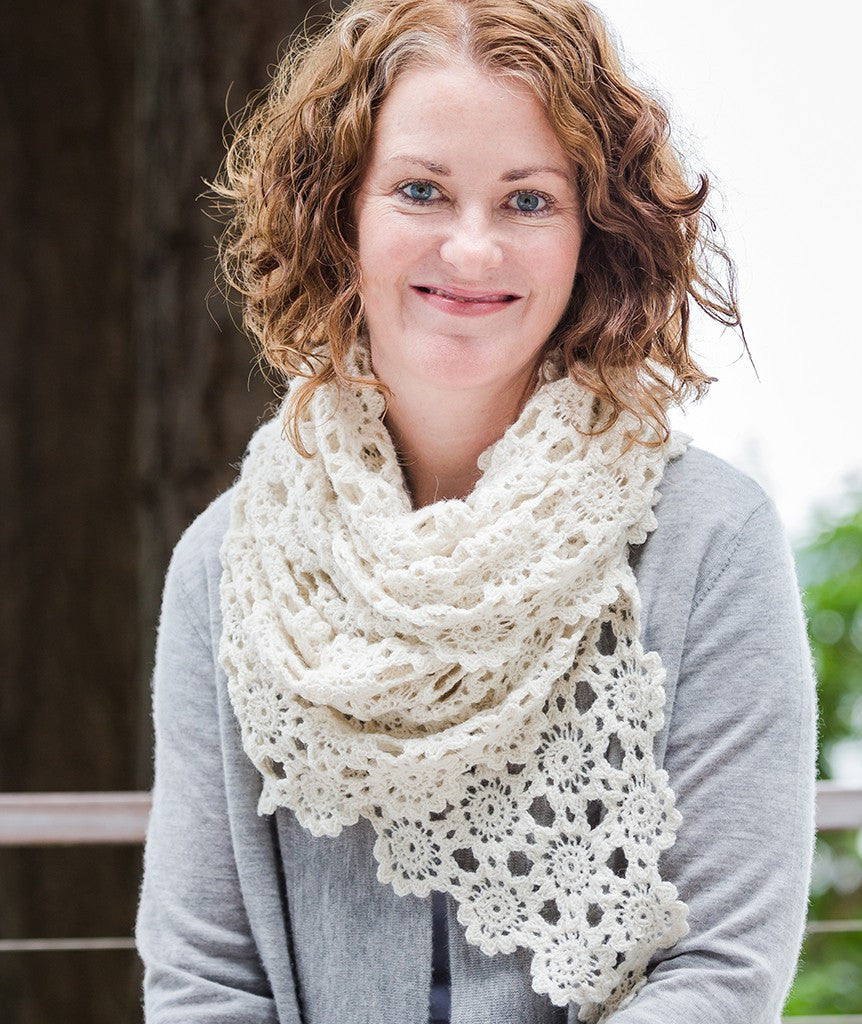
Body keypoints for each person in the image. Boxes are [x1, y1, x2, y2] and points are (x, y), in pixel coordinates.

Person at [135, 0, 818, 1021]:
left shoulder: (711, 543)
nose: (470, 249)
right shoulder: (226, 566)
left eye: (528, 202)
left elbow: (721, 969)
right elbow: (202, 980)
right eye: (420, 190)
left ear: (594, 233)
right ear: (342, 216)